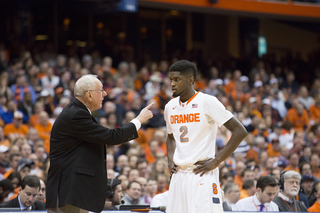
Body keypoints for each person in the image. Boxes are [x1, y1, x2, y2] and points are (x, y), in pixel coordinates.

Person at [46, 74, 154, 213]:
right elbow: (112, 137)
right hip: (69, 191)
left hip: (72, 191)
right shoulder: (76, 115)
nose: (105, 93)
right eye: (101, 90)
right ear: (89, 95)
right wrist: (139, 120)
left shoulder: (77, 112)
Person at [164, 60, 248, 213]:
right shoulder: (170, 107)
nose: (172, 84)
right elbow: (170, 137)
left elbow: (240, 131)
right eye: (171, 80)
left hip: (201, 172)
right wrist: (170, 159)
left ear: (190, 80)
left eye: (177, 80)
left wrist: (216, 160)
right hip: (178, 176)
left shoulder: (207, 102)